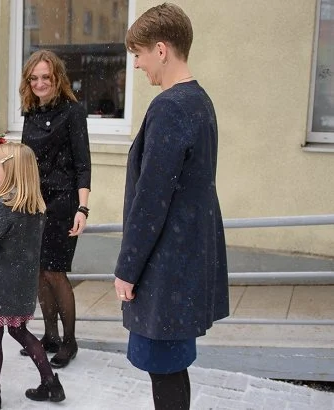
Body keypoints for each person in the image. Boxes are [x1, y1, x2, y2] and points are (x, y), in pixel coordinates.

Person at [113, 3, 229, 409]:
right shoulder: (200, 101)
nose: (139, 66)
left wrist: (127, 269)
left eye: (139, 55)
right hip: (184, 259)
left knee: (164, 369)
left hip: (165, 266)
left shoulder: (171, 106)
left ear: (161, 50)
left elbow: (151, 199)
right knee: (170, 367)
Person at [0, 142, 66, 410]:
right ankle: (50, 383)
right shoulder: (36, 207)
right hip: (21, 285)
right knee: (20, 331)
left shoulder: (3, 207)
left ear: (10, 172)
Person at [20, 49, 91, 369]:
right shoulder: (30, 113)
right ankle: (49, 335)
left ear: (56, 77)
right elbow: (25, 163)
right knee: (38, 272)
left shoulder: (73, 112)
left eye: (45, 77)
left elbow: (83, 165)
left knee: (55, 271)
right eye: (33, 78)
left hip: (63, 204)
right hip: (34, 204)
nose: (39, 83)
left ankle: (70, 340)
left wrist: (83, 208)